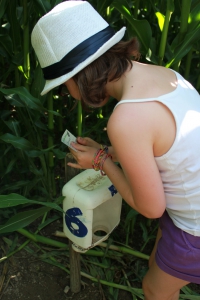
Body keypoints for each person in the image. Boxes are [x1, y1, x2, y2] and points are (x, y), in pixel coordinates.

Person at [31, 1, 200, 299]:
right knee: (155, 267)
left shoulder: (125, 120)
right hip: (189, 206)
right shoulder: (160, 74)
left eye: (62, 84)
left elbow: (151, 208)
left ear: (75, 76)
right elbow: (162, 144)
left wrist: (100, 161)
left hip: (194, 226)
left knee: (154, 289)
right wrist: (109, 151)